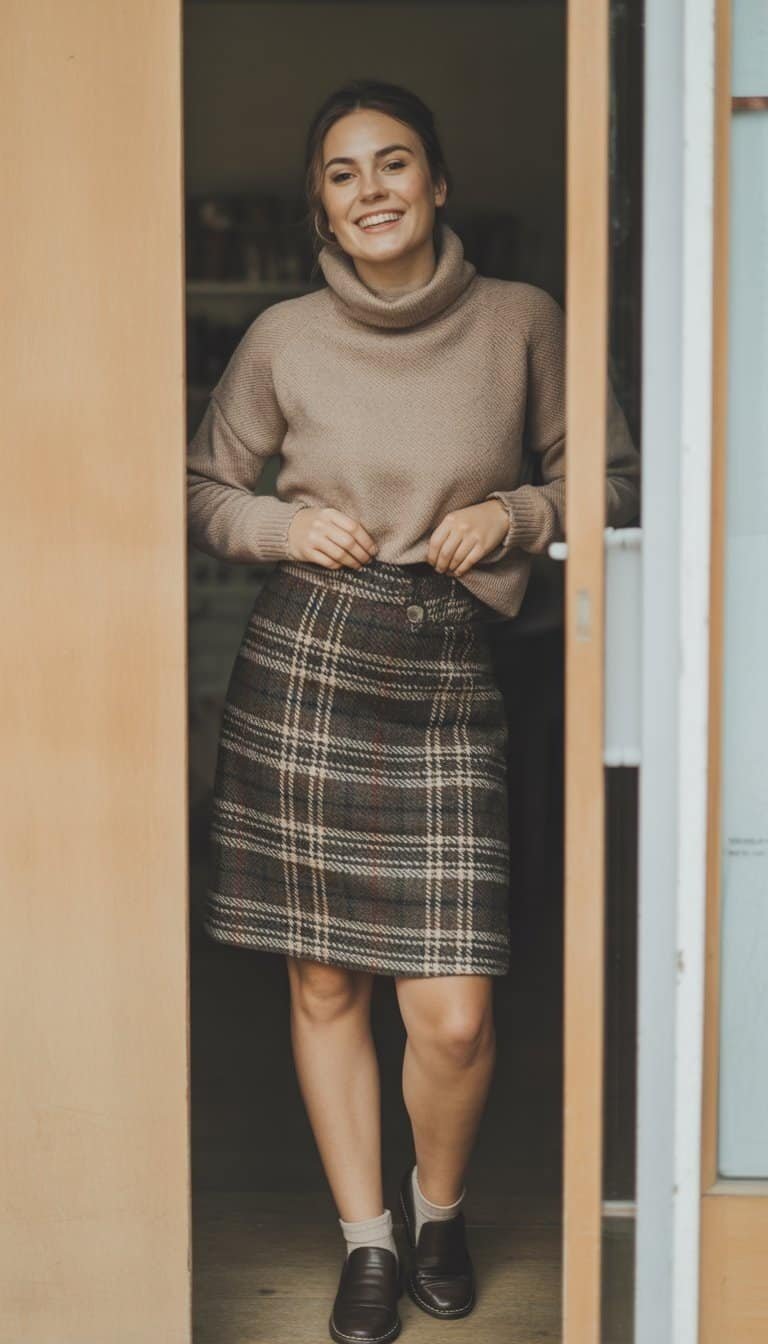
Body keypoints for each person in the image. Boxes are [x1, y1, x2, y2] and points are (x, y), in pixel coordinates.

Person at [186, 78, 640, 1344]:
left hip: (447, 672)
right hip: (308, 659)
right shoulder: (281, 336)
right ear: (321, 208)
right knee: (326, 982)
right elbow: (199, 487)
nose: (372, 189)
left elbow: (605, 474)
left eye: (395, 164)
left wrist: (522, 515)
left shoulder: (523, 321)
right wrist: (276, 521)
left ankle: (441, 1209)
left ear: (438, 183)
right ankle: (369, 1241)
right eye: (343, 173)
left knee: (454, 1008)